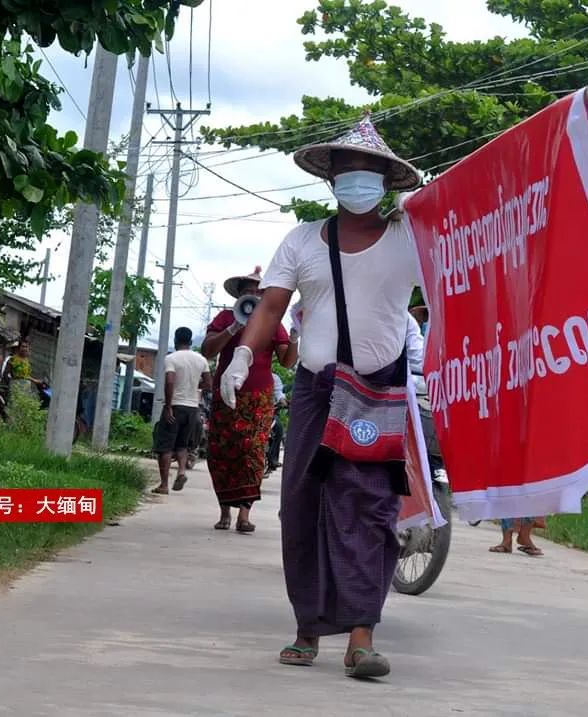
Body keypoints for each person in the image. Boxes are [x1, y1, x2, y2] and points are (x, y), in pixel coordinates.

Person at [220, 115, 421, 678]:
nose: (358, 181)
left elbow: (471, 246)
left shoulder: (412, 236)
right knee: (302, 507)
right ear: (331, 178)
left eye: (370, 172)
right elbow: (270, 307)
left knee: (371, 509)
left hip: (379, 390)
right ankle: (308, 628)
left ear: (387, 181)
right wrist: (242, 355)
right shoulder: (302, 239)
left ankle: (362, 636)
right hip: (315, 390)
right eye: (348, 171)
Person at [202, 268, 298, 533]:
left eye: (258, 291)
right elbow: (208, 350)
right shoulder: (224, 318)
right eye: (248, 291)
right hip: (226, 393)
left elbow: (288, 361)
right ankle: (224, 513)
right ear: (239, 294)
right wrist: (234, 326)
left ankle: (244, 515)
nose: (252, 295)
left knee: (252, 452)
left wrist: (294, 337)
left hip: (258, 397)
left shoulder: (272, 323)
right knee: (221, 451)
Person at [151, 327, 210, 495]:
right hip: (193, 408)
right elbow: (208, 384)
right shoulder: (201, 359)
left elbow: (170, 381)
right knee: (182, 445)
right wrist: (194, 387)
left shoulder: (171, 358)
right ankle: (182, 472)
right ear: (191, 342)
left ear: (176, 340)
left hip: (176, 406)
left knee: (165, 446)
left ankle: (163, 485)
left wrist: (168, 406)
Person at [267, 372, 287, 474]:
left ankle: (273, 459)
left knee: (278, 428)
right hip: (250, 410)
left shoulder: (274, 378)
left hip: (270, 411)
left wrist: (283, 401)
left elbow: (279, 393)